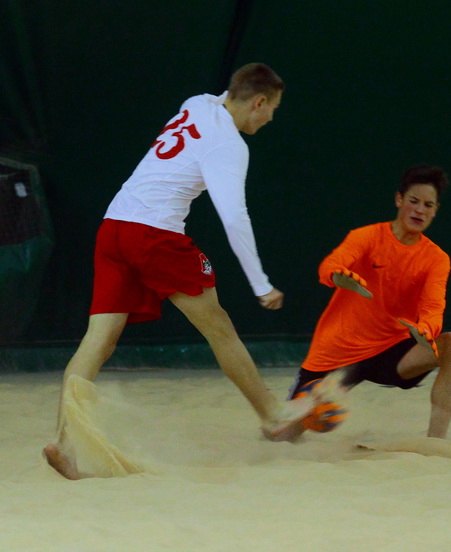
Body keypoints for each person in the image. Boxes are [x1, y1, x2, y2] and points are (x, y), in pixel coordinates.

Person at [43, 63, 313, 479]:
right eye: (272, 109)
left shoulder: (198, 104)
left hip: (113, 227)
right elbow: (233, 217)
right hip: (154, 235)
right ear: (258, 102)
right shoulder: (230, 145)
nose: (271, 118)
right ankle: (273, 416)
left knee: (97, 339)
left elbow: (216, 100)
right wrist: (260, 282)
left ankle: (64, 443)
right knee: (219, 328)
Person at [286, 164, 451, 441]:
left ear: (435, 210)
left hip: (391, 350)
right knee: (283, 434)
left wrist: (427, 328)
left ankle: (436, 440)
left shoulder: (436, 258)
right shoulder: (366, 236)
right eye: (414, 201)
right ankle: (290, 423)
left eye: (428, 205)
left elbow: (433, 306)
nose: (420, 210)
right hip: (340, 350)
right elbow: (330, 265)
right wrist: (337, 276)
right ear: (399, 199)